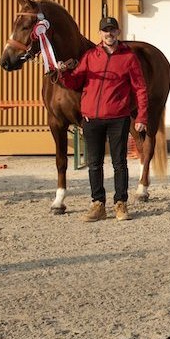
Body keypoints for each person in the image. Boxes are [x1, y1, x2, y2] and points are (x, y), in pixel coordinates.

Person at [57, 16, 149, 222]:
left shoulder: (129, 58)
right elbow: (75, 82)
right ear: (100, 34)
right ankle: (98, 204)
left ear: (118, 32)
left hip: (119, 117)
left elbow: (140, 88)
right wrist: (63, 73)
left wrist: (141, 115)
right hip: (91, 119)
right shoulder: (90, 56)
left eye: (112, 30)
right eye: (105, 31)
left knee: (119, 163)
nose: (109, 34)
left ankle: (120, 204)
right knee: (94, 164)